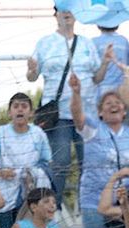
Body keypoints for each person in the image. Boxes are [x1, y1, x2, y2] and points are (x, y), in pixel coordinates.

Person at [29, 5, 110, 202]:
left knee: (89, 162)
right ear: (55, 14)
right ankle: (52, 208)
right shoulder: (44, 43)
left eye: (71, 9)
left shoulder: (87, 43)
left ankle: (88, 207)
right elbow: (32, 77)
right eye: (62, 9)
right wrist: (31, 70)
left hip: (86, 113)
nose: (67, 13)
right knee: (60, 162)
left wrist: (106, 62)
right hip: (58, 115)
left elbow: (97, 77)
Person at [71, 74, 129, 228]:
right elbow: (77, 116)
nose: (113, 105)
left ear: (124, 111)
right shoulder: (93, 129)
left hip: (123, 203)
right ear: (100, 112)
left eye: (117, 102)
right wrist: (76, 93)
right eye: (108, 103)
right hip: (93, 200)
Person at [0, 92, 53, 228]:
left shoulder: (38, 134)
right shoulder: (0, 133)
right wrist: (1, 173)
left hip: (32, 194)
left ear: (31, 112)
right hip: (6, 194)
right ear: (10, 112)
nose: (20, 110)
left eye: (24, 106)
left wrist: (32, 174)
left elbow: (48, 163)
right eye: (15, 106)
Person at [92, 24, 129, 96]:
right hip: (122, 84)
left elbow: (92, 67)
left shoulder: (94, 42)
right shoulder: (123, 40)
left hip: (101, 85)